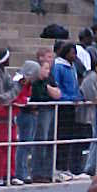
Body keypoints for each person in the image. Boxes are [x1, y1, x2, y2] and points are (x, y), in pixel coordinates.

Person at [0, 48, 23, 186]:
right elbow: (1, 98)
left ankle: (10, 174)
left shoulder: (4, 73)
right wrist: (17, 89)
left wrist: (17, 83)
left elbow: (10, 88)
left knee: (10, 147)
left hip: (8, 118)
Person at [52, 41, 84, 178]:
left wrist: (78, 97)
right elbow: (57, 86)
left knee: (69, 137)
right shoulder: (58, 67)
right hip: (63, 106)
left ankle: (65, 167)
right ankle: (59, 167)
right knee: (61, 137)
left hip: (72, 106)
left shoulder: (72, 67)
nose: (74, 56)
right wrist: (68, 98)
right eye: (72, 53)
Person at [31, 53, 60, 183]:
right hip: (42, 111)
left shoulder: (51, 78)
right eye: (46, 68)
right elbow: (39, 95)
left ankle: (48, 172)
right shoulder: (36, 81)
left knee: (50, 141)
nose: (48, 71)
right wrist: (49, 89)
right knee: (41, 141)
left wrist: (50, 89)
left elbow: (58, 94)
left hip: (51, 110)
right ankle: (37, 172)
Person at [78, 56, 97, 177]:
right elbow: (91, 96)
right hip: (92, 111)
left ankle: (93, 165)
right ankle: (89, 167)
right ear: (96, 67)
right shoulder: (91, 78)